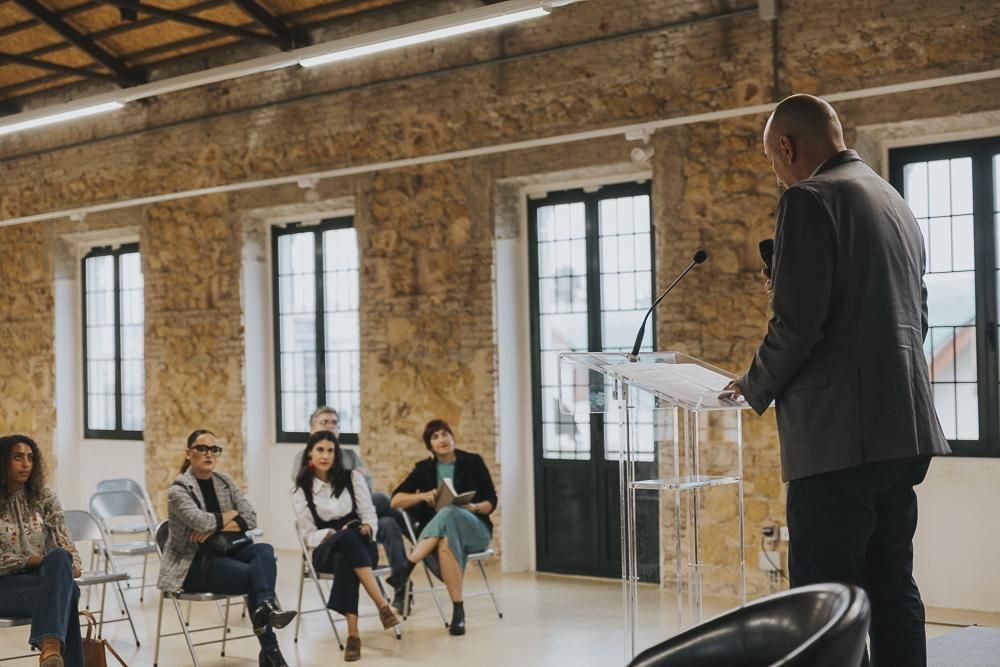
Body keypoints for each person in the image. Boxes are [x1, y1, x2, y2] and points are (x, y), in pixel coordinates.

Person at [722, 94, 951, 667]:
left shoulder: (808, 198)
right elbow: (916, 316)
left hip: (838, 441)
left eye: (772, 162)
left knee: (823, 605)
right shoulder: (893, 201)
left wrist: (751, 384)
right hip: (902, 430)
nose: (776, 174)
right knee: (892, 586)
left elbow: (797, 325)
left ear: (787, 147)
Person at [157, 429, 295, 667]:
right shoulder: (178, 491)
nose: (209, 454)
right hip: (194, 564)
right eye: (202, 448)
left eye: (214, 449)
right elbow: (201, 522)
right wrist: (231, 515)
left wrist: (218, 525)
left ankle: (265, 608)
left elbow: (251, 517)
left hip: (228, 550)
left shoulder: (224, 482)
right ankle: (271, 649)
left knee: (264, 551)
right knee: (254, 575)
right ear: (189, 453)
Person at [291, 430, 399, 662]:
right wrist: (331, 534)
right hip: (325, 548)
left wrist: (369, 527)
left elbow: (368, 514)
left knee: (346, 552)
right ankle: (382, 604)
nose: (325, 455)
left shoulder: (353, 478)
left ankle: (353, 636)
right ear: (310, 453)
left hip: (359, 543)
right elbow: (308, 535)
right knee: (343, 540)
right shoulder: (301, 489)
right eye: (320, 449)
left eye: (330, 450)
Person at [388, 419, 497, 636]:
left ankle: (409, 564)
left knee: (450, 511)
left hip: (475, 529)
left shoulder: (473, 462)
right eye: (435, 437)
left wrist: (473, 507)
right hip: (442, 537)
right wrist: (422, 495)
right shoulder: (424, 469)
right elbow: (395, 501)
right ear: (430, 445)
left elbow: (491, 501)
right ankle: (458, 612)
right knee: (446, 541)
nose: (441, 440)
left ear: (452, 437)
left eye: (444, 434)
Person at [307, 407, 409, 612]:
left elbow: (365, 488)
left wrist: (357, 481)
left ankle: (401, 586)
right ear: (311, 429)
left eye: (334, 423)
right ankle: (413, 542)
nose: (330, 426)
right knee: (384, 502)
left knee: (388, 523)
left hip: (358, 516)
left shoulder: (349, 455)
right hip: (331, 526)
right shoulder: (306, 458)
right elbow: (310, 495)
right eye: (324, 422)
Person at [0, 435, 83, 667]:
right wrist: (30, 561)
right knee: (69, 593)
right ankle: (52, 648)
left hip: (41, 581)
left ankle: (50, 649)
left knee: (59, 560)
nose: (26, 464)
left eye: (30, 458)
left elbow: (66, 546)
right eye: (17, 457)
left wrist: (68, 563)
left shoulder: (45, 498)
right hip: (4, 587)